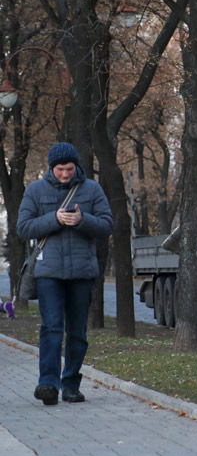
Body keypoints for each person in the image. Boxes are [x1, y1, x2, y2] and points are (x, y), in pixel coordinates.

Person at [17, 142, 113, 405]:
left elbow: (107, 225)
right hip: (48, 272)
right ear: (52, 168)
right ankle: (48, 384)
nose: (65, 174)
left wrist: (82, 220)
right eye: (60, 169)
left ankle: (71, 385)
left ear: (76, 166)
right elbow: (23, 228)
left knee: (77, 332)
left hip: (82, 272)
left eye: (69, 169)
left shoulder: (92, 189)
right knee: (51, 327)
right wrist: (55, 219)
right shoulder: (35, 190)